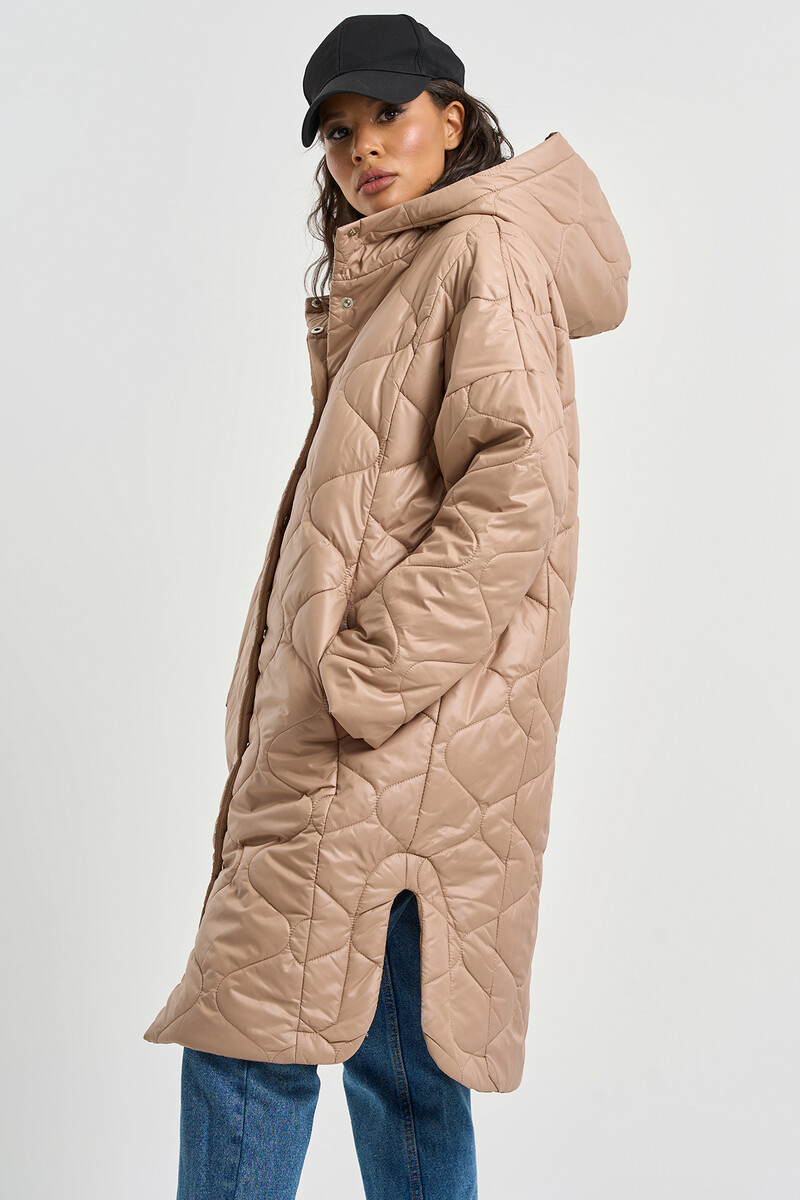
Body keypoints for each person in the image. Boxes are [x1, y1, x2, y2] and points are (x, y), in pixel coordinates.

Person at [143, 13, 631, 1200]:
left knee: (248, 1039)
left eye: (389, 117)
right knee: (401, 1060)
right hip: (415, 743)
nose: (362, 147)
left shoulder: (479, 254)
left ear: (451, 120)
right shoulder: (417, 267)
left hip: (376, 741)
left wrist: (356, 677)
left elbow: (513, 490)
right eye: (338, 131)